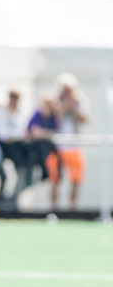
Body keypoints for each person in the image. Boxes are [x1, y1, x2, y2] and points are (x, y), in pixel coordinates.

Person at [48, 74, 88, 208]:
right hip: (57, 146)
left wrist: (74, 107)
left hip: (74, 145)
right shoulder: (54, 101)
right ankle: (54, 209)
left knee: (75, 179)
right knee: (55, 179)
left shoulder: (79, 101)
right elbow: (55, 115)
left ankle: (72, 208)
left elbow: (84, 119)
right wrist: (66, 105)